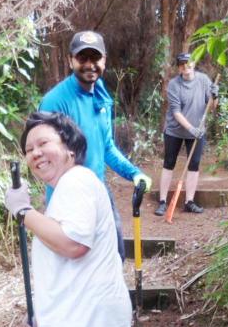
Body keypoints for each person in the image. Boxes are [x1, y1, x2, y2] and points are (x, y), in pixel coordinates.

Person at [5, 111, 130, 327]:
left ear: (70, 148)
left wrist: (24, 212)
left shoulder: (76, 182)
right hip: (82, 318)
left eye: (43, 143)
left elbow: (73, 244)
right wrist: (44, 313)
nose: (35, 153)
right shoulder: (70, 187)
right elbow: (67, 263)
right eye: (29, 149)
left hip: (84, 323)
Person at [38, 30, 151, 260]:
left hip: (99, 192)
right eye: (82, 58)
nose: (90, 64)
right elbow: (45, 160)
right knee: (80, 267)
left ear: (104, 61)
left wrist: (134, 173)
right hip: (68, 201)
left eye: (95, 58)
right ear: (71, 60)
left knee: (115, 256)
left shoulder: (100, 95)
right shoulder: (55, 102)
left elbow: (106, 147)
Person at [154, 52, 218, 216]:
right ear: (179, 68)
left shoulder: (204, 80)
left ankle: (189, 202)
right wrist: (191, 129)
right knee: (169, 163)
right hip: (174, 130)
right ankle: (162, 202)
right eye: (182, 64)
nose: (185, 66)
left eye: (188, 63)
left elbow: (212, 107)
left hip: (197, 130)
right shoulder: (174, 85)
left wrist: (215, 96)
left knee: (194, 165)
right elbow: (176, 112)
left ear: (193, 64)